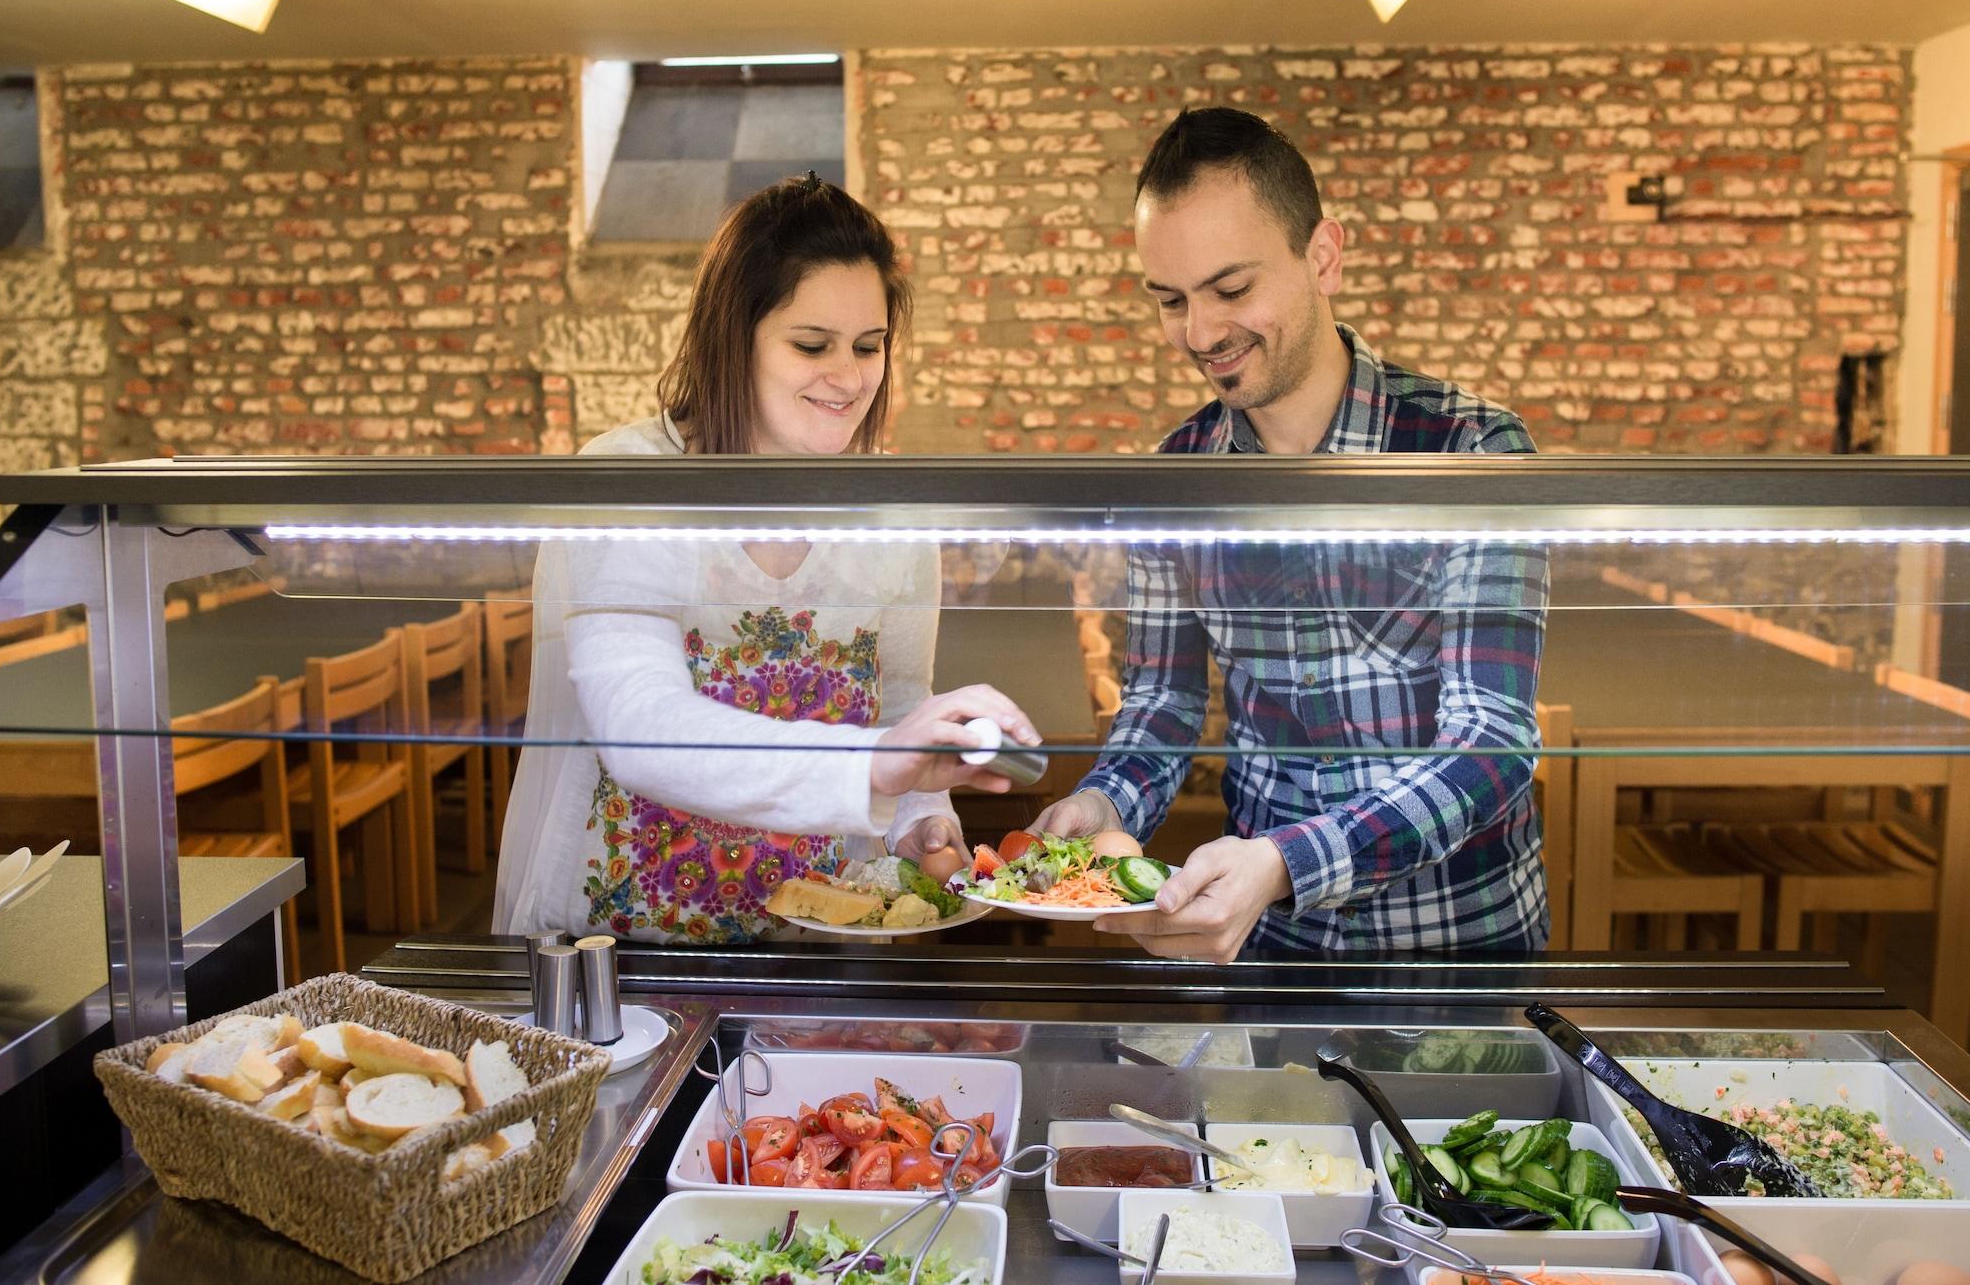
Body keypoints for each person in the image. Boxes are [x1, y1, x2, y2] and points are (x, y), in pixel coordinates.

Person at [1033, 108, 1549, 963]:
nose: (1200, 334)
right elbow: (1162, 702)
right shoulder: (1179, 473)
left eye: (1231, 290)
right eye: (1171, 301)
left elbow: (1492, 743)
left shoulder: (1471, 449)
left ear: (1323, 256)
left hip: (1461, 951)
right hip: (1270, 953)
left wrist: (1285, 861)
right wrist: (1106, 803)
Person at [494, 174, 1039, 943]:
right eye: (811, 345)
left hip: (810, 942)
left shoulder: (894, 519)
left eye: (869, 346)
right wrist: (879, 763)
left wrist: (919, 817)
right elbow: (642, 726)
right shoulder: (627, 480)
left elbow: (896, 705)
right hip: (621, 951)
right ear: (734, 335)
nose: (848, 377)